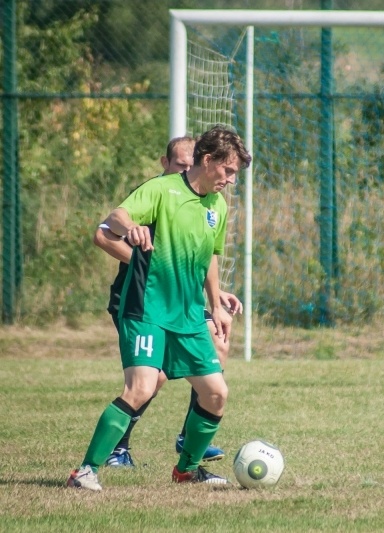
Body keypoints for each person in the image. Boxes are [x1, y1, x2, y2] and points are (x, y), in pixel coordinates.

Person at [67, 126, 251, 490]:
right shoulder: (162, 189)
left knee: (216, 393)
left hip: (188, 314)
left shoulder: (217, 206)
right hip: (147, 309)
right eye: (228, 170)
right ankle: (86, 471)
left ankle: (187, 470)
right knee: (141, 387)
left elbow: (211, 258)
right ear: (207, 160)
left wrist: (216, 304)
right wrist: (132, 227)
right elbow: (115, 218)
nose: (231, 180)